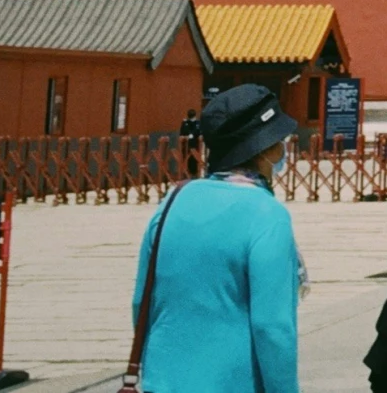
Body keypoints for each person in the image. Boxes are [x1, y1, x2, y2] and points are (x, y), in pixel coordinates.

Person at [130, 83, 304, 393]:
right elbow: (272, 326)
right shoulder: (267, 215)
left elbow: (141, 300)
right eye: (281, 140)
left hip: (163, 382)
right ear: (267, 149)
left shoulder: (173, 201)